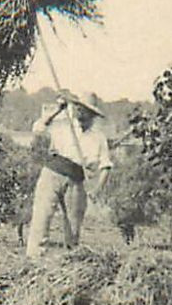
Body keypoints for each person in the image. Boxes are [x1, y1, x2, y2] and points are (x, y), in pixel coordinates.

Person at [26, 93, 112, 258]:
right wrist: (58, 109)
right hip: (52, 173)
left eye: (86, 110)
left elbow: (105, 166)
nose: (81, 112)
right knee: (41, 217)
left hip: (76, 181)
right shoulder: (63, 126)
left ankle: (71, 261)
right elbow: (38, 128)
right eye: (79, 108)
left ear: (93, 115)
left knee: (73, 228)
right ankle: (33, 259)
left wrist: (97, 189)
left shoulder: (99, 138)